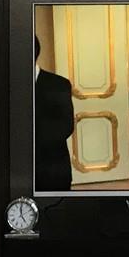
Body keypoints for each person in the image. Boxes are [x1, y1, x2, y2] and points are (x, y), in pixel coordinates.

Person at [33, 37, 75, 192]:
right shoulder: (6, 84)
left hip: (52, 169)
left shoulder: (59, 85)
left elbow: (66, 126)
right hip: (15, 170)